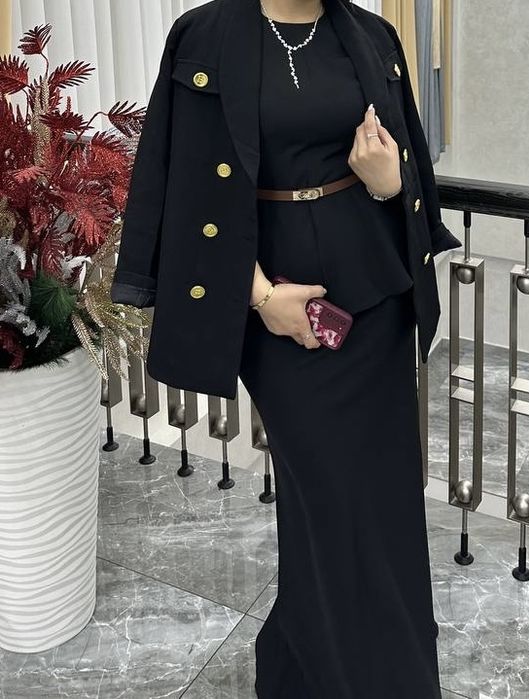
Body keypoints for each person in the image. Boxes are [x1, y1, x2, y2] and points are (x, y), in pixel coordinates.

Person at [110, 0, 462, 695]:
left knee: (383, 507)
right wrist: (261, 296)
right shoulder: (203, 36)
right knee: (333, 503)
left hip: (375, 307)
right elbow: (182, 182)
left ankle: (302, 672)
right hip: (273, 316)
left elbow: (410, 171)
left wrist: (390, 182)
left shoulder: (371, 35)